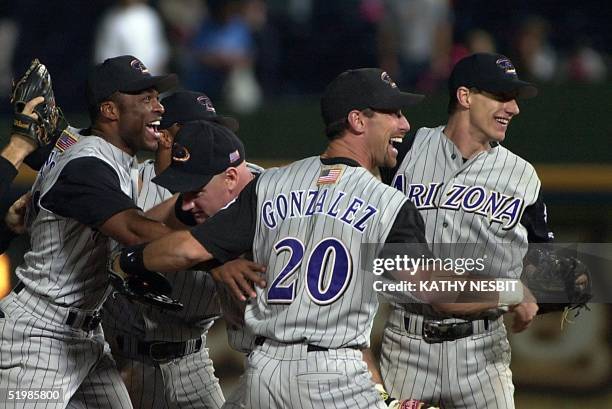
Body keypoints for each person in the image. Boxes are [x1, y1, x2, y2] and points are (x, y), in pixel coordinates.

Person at [114, 68, 434, 408]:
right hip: (332, 373)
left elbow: (184, 249)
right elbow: (435, 290)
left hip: (264, 373)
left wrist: (126, 261)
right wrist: (495, 285)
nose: (404, 124)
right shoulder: (390, 204)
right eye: (394, 114)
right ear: (357, 120)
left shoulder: (270, 185)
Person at [0, 54, 178, 408]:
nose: (159, 107)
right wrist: (210, 250)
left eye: (157, 97)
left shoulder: (89, 146)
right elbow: (133, 230)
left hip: (84, 335)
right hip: (39, 338)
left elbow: (61, 143)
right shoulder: (87, 164)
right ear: (110, 110)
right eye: (145, 98)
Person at [379, 53, 547, 409]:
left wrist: (544, 290)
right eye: (502, 96)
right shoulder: (406, 151)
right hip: (407, 344)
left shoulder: (522, 176)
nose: (513, 108)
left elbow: (545, 267)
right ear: (465, 96)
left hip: (483, 352)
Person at [101, 92, 239, 409]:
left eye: (214, 129)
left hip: (192, 360)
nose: (210, 138)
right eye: (197, 129)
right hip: (122, 359)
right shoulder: (126, 182)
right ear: (165, 136)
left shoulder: (232, 181)